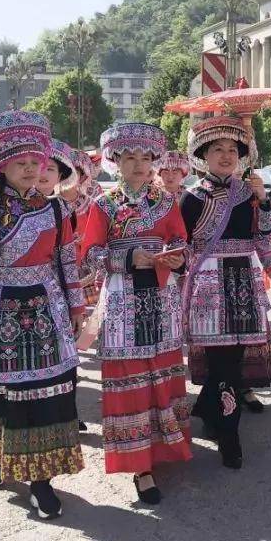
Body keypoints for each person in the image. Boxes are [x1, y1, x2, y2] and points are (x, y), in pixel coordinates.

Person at [0, 111, 86, 521]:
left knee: (46, 391)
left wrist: (77, 305)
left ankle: (39, 479)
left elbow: (66, 262)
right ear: (1, 166)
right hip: (0, 306)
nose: (30, 169)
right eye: (20, 162)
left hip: (46, 306)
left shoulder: (58, 210)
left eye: (35, 162)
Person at [81, 123, 190, 504]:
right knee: (129, 372)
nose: (139, 165)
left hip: (161, 294)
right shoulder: (102, 204)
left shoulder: (167, 201)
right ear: (115, 161)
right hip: (123, 295)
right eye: (130, 157)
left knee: (162, 368)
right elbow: (91, 253)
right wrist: (129, 256)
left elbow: (180, 240)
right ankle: (139, 464)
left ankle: (165, 445)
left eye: (146, 158)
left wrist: (176, 256)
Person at [180, 116, 271, 469]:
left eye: (233, 150)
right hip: (208, 281)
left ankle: (213, 412)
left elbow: (263, 236)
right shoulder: (192, 198)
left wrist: (263, 200)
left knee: (234, 359)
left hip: (243, 278)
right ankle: (228, 431)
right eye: (217, 149)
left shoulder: (248, 192)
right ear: (203, 155)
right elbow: (182, 244)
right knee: (221, 361)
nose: (226, 155)